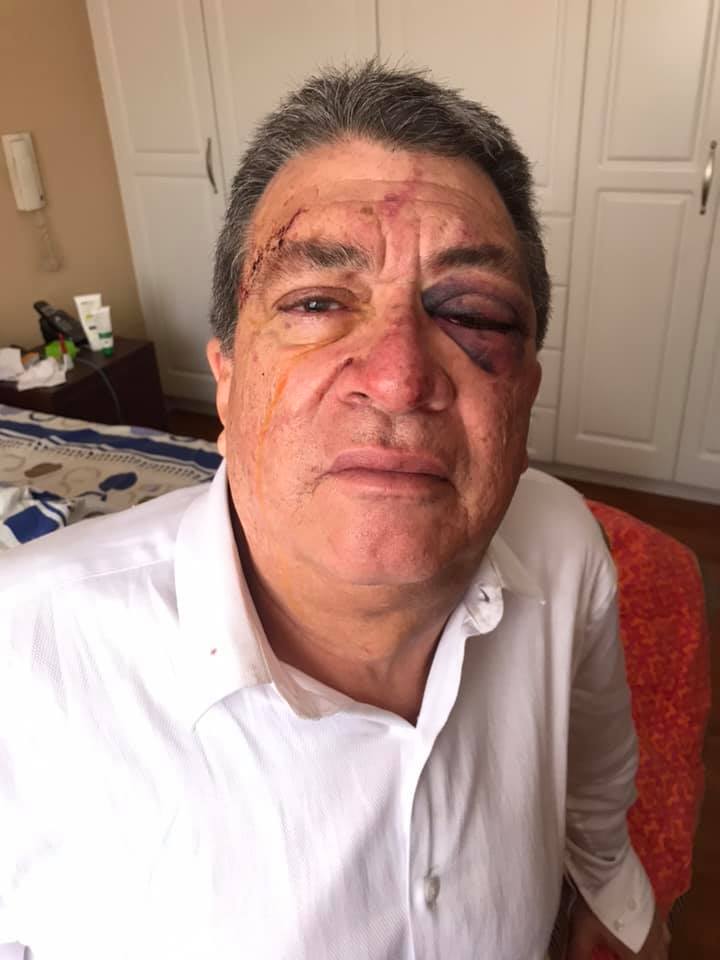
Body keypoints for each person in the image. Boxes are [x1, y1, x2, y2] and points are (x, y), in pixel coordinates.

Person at [0, 62, 669, 960]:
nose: (398, 378)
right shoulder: (22, 657)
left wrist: (613, 903)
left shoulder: (564, 545)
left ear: (525, 396)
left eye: (473, 314)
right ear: (227, 380)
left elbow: (597, 785)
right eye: (316, 302)